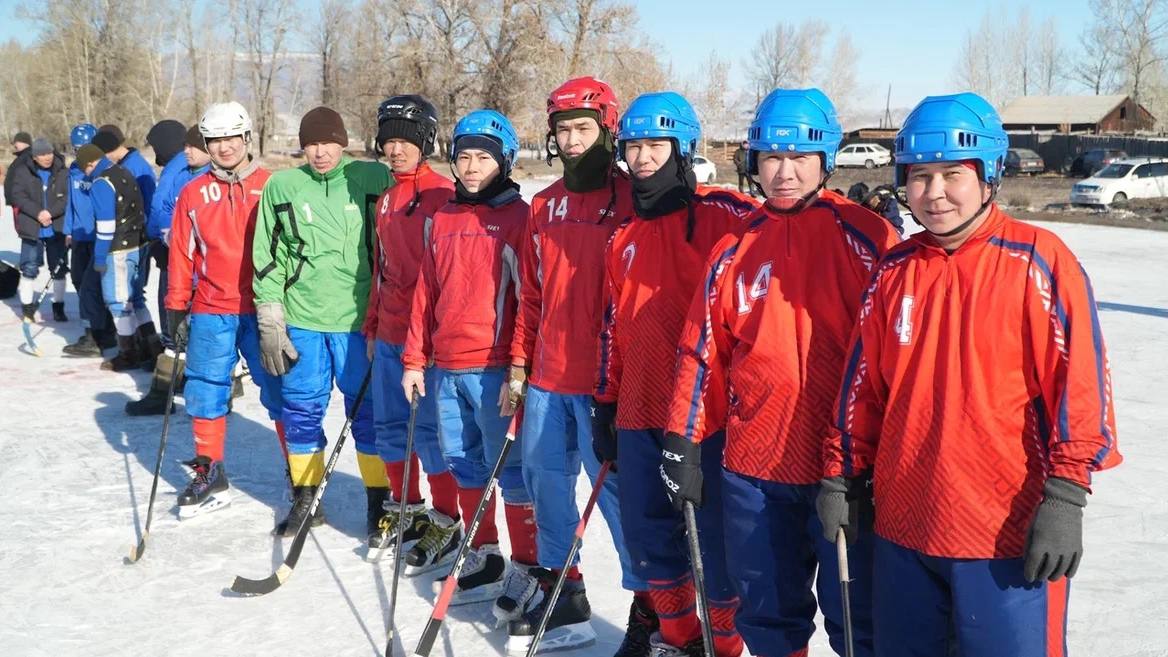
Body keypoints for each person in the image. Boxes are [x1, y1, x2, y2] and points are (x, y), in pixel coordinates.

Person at [818, 92, 1122, 657]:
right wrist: (842, 475)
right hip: (905, 526)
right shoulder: (894, 271)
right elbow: (863, 390)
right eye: (919, 176)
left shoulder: (1039, 260)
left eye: (952, 174)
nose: (933, 194)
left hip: (1004, 532)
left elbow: (1079, 387)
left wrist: (1065, 497)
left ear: (989, 175)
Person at [665, 88, 899, 657]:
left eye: (799, 158)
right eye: (771, 157)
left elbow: (896, 357)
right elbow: (704, 353)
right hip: (756, 464)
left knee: (857, 616)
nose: (784, 173)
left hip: (843, 468)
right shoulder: (735, 247)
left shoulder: (869, 239)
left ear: (826, 159)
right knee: (767, 612)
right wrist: (683, 439)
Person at [593, 91, 757, 657]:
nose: (641, 158)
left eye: (655, 146)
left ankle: (723, 648)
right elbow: (613, 325)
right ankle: (676, 642)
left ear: (682, 148)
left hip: (708, 417)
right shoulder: (624, 237)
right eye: (633, 146)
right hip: (639, 411)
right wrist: (605, 401)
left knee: (713, 548)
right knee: (651, 544)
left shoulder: (729, 216)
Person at [502, 76, 652, 655]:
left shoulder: (632, 200)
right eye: (562, 130)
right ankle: (565, 590)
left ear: (607, 131)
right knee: (547, 489)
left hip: (604, 384)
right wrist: (519, 364)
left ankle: (652, 604)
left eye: (583, 129)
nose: (571, 141)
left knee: (618, 500)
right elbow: (531, 295)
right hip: (546, 376)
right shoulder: (544, 204)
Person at [399, 109, 537, 619]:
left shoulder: (520, 218)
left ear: (504, 161)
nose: (472, 166)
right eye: (464, 156)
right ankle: (486, 552)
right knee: (463, 462)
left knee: (513, 472)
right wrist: (414, 358)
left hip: (495, 371)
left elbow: (529, 299)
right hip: (445, 367)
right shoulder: (444, 217)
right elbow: (424, 294)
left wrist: (519, 367)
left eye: (484, 157)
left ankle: (526, 566)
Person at [252, 105, 392, 536]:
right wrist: (270, 313)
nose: (319, 152)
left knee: (368, 413)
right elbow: (270, 256)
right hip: (305, 319)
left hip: (358, 322)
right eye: (311, 143)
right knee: (301, 411)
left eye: (328, 142)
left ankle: (379, 503)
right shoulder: (283, 186)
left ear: (343, 141)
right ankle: (306, 498)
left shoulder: (373, 179)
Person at [162, 101, 285, 518]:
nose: (224, 147)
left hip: (263, 309)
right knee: (204, 389)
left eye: (232, 137)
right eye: (215, 140)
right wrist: (176, 306)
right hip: (212, 307)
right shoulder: (193, 192)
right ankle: (211, 472)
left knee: (282, 392)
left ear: (247, 138)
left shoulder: (273, 185)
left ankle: (297, 471)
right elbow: (181, 253)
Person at [361, 94, 458, 557]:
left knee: (431, 433)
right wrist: (373, 324)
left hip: (429, 341)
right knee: (389, 427)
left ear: (426, 143)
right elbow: (382, 269)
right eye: (389, 142)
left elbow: (447, 276)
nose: (395, 150)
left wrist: (433, 337)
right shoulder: (386, 198)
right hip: (389, 334)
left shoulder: (441, 195)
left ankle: (445, 517)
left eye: (406, 142)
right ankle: (408, 508)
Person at [125, 124, 213, 415]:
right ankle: (185, 387)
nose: (186, 151)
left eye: (193, 146)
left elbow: (161, 206)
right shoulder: (186, 171)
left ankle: (167, 392)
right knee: (187, 330)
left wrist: (162, 233)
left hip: (192, 268)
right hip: (182, 260)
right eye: (185, 145)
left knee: (178, 329)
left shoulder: (187, 173)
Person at [93, 124, 163, 369]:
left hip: (132, 240)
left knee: (124, 298)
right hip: (136, 239)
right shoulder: (127, 165)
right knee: (134, 297)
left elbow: (148, 204)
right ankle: (149, 346)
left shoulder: (134, 167)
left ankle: (134, 350)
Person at [62, 124, 118, 357]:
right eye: (76, 149)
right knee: (78, 280)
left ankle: (97, 333)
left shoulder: (102, 171)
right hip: (78, 234)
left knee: (92, 286)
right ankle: (96, 326)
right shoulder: (74, 170)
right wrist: (67, 231)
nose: (80, 154)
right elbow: (71, 204)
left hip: (97, 236)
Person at [9, 138, 69, 322]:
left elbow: (67, 198)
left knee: (59, 269)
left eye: (49, 153)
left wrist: (50, 213)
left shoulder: (63, 172)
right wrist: (38, 213)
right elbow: (17, 196)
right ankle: (27, 308)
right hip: (32, 227)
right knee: (29, 268)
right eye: (42, 154)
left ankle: (58, 306)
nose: (47, 157)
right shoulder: (21, 172)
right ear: (34, 157)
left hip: (56, 227)